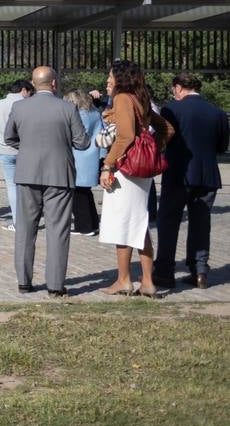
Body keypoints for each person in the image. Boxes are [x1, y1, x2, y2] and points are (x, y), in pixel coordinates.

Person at [2, 66, 90, 297]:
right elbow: (82, 143)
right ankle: (55, 285)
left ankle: (24, 282)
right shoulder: (68, 108)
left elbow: (8, 137)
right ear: (54, 84)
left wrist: (28, 149)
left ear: (32, 83)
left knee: (25, 230)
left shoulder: (19, 107)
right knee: (58, 230)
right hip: (59, 175)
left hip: (27, 173)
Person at [96, 60, 174, 297]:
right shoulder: (141, 99)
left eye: (110, 76)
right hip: (141, 173)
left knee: (124, 224)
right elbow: (167, 129)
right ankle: (148, 282)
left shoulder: (122, 99)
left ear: (120, 78)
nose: (108, 79)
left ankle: (124, 280)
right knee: (139, 225)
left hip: (125, 170)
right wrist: (151, 149)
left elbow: (125, 136)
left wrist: (107, 165)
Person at [155, 73, 229, 290]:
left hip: (178, 173)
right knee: (201, 224)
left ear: (178, 88)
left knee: (168, 222)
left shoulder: (171, 110)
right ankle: (200, 271)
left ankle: (165, 272)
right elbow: (222, 147)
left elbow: (162, 139)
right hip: (207, 175)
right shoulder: (217, 112)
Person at [0, 79, 34, 231]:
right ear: (24, 90)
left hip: (5, 148)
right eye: (30, 93)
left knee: (11, 186)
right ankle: (29, 219)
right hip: (25, 149)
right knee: (28, 185)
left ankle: (18, 222)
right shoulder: (27, 105)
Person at [64, 90, 103, 236]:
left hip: (79, 156)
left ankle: (84, 226)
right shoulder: (94, 112)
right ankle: (93, 224)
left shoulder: (80, 115)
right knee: (85, 192)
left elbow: (76, 135)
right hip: (92, 155)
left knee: (78, 193)